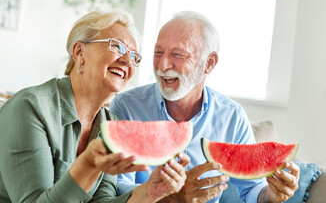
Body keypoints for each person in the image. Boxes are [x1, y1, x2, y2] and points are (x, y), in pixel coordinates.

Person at [109, 11, 300, 203]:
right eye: (158, 52)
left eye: (178, 54)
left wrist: (271, 195)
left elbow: (252, 188)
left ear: (209, 63)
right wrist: (167, 196)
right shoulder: (126, 106)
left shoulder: (232, 116)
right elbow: (117, 186)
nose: (163, 64)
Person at [0, 10, 190, 203]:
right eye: (117, 46)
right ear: (79, 52)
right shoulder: (30, 107)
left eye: (134, 56)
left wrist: (148, 193)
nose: (126, 60)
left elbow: (100, 200)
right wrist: (89, 164)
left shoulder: (111, 123)